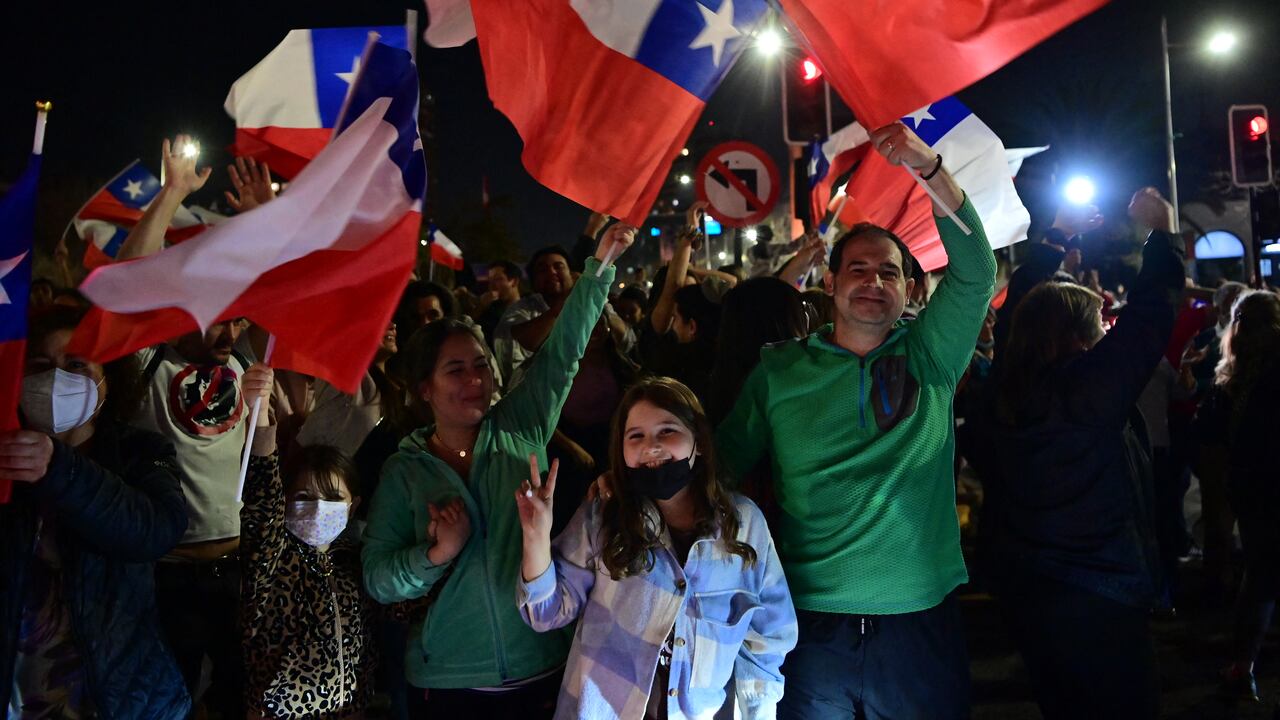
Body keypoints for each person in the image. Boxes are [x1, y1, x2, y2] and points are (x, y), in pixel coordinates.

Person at [716, 122, 997, 720]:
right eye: (859, 269)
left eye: (890, 272)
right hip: (807, 622)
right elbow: (722, 469)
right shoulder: (780, 372)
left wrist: (928, 168)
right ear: (831, 281)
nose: (873, 282)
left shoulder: (931, 356)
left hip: (919, 618)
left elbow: (975, 268)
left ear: (910, 289)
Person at [362, 225, 634, 718]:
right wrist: (435, 553)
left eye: (482, 365)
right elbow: (379, 579)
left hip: (542, 664)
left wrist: (599, 268)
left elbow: (562, 354)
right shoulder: (404, 472)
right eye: (455, 369)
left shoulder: (520, 422)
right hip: (448, 680)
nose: (475, 380)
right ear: (424, 388)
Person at [965, 188, 1186, 719]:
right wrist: (1161, 236)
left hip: (1027, 591)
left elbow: (1024, 309)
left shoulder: (999, 393)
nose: (1105, 332)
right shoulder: (1086, 393)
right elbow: (1151, 317)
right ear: (1078, 338)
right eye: (1097, 328)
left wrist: (1056, 240)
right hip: (1101, 592)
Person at [515, 377, 797, 719]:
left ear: (700, 442)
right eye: (636, 436)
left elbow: (768, 639)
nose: (651, 447)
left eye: (667, 431)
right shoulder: (604, 515)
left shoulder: (744, 526)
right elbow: (545, 613)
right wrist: (536, 537)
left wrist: (757, 712)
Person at [113, 138, 265, 715]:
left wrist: (254, 221)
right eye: (218, 323)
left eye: (236, 323)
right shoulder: (148, 362)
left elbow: (273, 285)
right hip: (165, 575)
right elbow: (130, 282)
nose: (229, 337)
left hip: (235, 570)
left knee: (231, 700)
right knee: (166, 698)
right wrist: (172, 193)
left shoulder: (240, 363)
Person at [1, 307, 190, 717]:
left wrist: (60, 469)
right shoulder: (5, 456)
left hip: (116, 695)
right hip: (21, 695)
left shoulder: (139, 451)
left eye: (75, 365)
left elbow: (156, 530)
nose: (57, 379)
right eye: (41, 365)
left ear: (107, 379)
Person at [239, 364, 378, 718]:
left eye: (333, 497)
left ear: (354, 506)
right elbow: (261, 508)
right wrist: (264, 428)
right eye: (303, 496)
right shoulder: (271, 559)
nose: (318, 507)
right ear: (284, 501)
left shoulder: (355, 561)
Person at [1204, 290, 1280, 703]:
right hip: (1269, 486)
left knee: (1259, 580)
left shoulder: (1232, 375)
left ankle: (1242, 666)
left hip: (1251, 493)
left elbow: (1213, 435)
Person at [494, 243, 635, 389]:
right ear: (533, 280)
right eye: (542, 269)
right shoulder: (524, 308)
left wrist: (595, 299)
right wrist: (566, 303)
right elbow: (526, 340)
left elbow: (626, 339)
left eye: (558, 266)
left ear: (572, 274)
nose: (552, 272)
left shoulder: (590, 301)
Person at [476, 260, 523, 346]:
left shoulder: (531, 309)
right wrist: (480, 307)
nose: (492, 286)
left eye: (498, 279)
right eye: (490, 281)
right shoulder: (489, 312)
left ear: (515, 282)